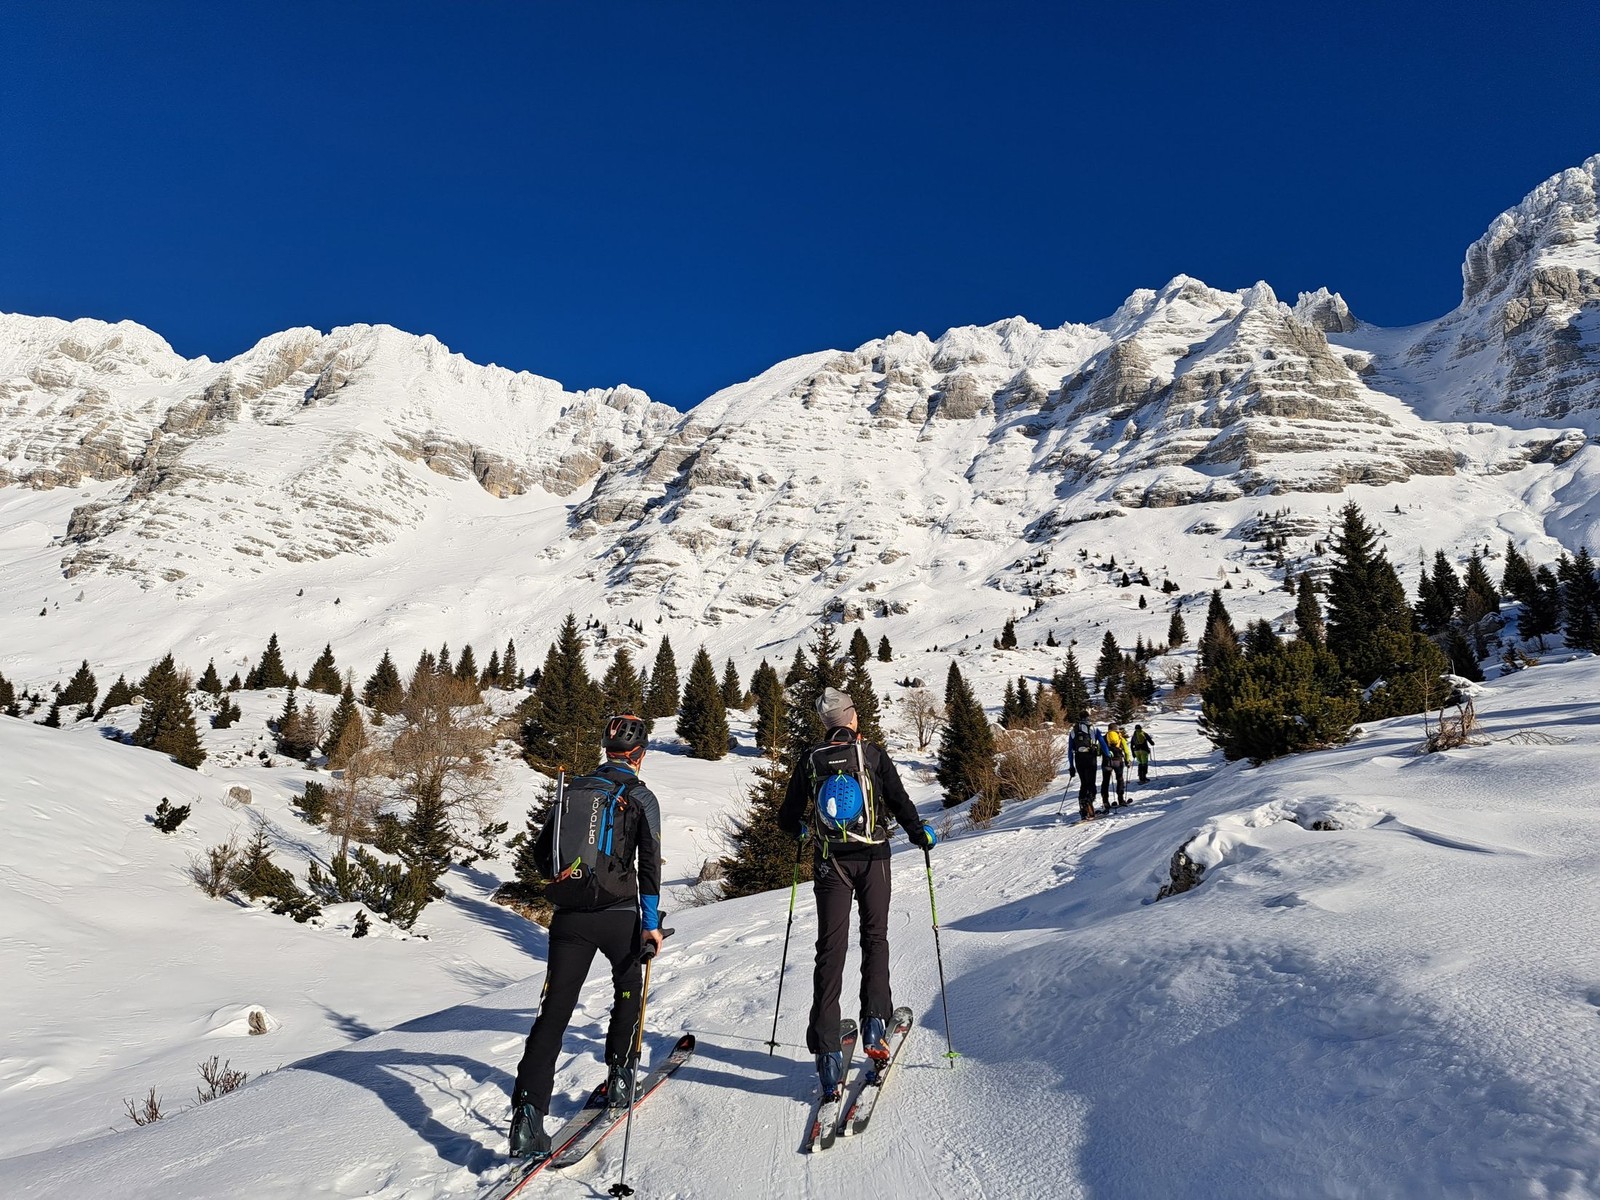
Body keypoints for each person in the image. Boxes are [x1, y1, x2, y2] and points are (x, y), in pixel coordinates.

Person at [509, 715, 663, 1159]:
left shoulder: (572, 791)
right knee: (629, 990)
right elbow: (650, 868)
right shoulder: (640, 797)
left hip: (569, 918)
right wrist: (650, 924)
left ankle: (527, 1117)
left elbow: (541, 853)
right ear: (639, 754)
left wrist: (567, 884)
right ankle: (619, 1078)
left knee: (552, 1016)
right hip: (619, 916)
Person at [778, 687, 934, 1101]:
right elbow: (900, 803)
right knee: (874, 939)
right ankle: (874, 1024)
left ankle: (828, 1055)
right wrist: (922, 836)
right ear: (853, 719)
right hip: (873, 859)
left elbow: (787, 817)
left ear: (827, 725)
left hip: (830, 863)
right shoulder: (874, 755)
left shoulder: (810, 761)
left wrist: (803, 832)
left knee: (829, 951)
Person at [1066, 716, 1100, 821]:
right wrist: (1108, 755)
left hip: (1079, 759)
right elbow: (1102, 743)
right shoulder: (1093, 728)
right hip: (1090, 757)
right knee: (1091, 784)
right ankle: (1089, 801)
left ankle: (1083, 809)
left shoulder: (1073, 731)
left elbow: (1070, 750)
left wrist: (1071, 766)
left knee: (1083, 784)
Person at [1101, 724, 1130, 810]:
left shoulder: (1103, 738)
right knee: (1120, 779)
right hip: (1118, 762)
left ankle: (1105, 801)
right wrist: (1127, 761)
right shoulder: (1120, 738)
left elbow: (1098, 751)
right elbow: (1127, 751)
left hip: (1106, 762)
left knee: (1105, 781)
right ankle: (1120, 799)